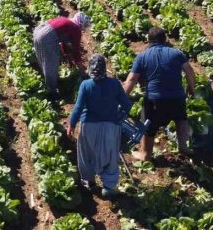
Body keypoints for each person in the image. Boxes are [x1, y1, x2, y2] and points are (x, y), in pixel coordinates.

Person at [123, 27, 197, 161]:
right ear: (165, 39)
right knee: (181, 119)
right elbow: (190, 72)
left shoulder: (142, 56)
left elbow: (131, 79)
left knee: (148, 126)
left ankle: (145, 154)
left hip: (155, 100)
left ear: (148, 40)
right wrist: (191, 89)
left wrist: (120, 99)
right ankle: (183, 146)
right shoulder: (177, 53)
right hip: (177, 97)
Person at [67, 54, 132, 196]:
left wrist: (71, 124)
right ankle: (108, 187)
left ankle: (89, 181)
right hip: (111, 126)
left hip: (89, 126)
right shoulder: (114, 84)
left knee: (87, 154)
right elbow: (127, 105)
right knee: (110, 155)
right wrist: (119, 117)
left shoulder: (86, 85)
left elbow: (78, 108)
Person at [33, 12, 92, 99]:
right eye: (85, 25)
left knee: (43, 59)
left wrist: (66, 55)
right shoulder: (76, 28)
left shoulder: (68, 22)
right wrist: (82, 71)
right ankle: (52, 92)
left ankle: (49, 81)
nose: (84, 28)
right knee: (51, 63)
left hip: (38, 31)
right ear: (81, 23)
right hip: (47, 36)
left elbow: (64, 41)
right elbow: (76, 51)